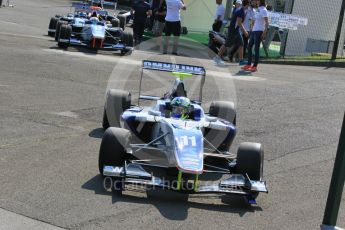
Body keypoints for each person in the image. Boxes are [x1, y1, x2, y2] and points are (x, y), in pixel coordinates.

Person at [213, 0, 248, 65]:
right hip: (233, 31)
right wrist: (245, 31)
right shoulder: (240, 11)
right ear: (247, 5)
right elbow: (239, 23)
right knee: (227, 44)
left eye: (239, 4)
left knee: (241, 44)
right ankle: (217, 57)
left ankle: (241, 60)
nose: (238, 4)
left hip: (235, 30)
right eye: (237, 4)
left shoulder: (239, 10)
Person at [241, 0, 268, 72]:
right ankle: (249, 64)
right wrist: (252, 28)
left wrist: (264, 32)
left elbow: (267, 22)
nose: (256, 1)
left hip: (259, 31)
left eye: (257, 0)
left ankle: (255, 66)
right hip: (254, 31)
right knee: (249, 47)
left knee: (256, 49)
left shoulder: (264, 10)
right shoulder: (258, 9)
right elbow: (254, 20)